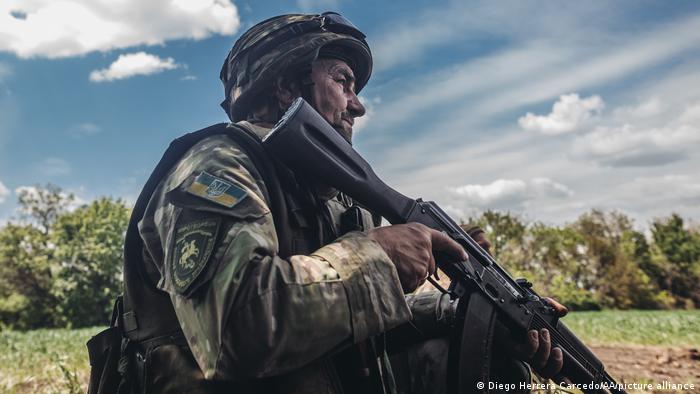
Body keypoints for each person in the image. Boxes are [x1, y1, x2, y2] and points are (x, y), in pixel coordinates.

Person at [118, 12, 566, 393]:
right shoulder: (217, 166)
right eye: (343, 81)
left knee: (490, 367)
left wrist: (473, 316)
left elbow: (354, 319)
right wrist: (379, 255)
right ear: (285, 86)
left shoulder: (338, 193)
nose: (358, 106)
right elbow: (237, 329)